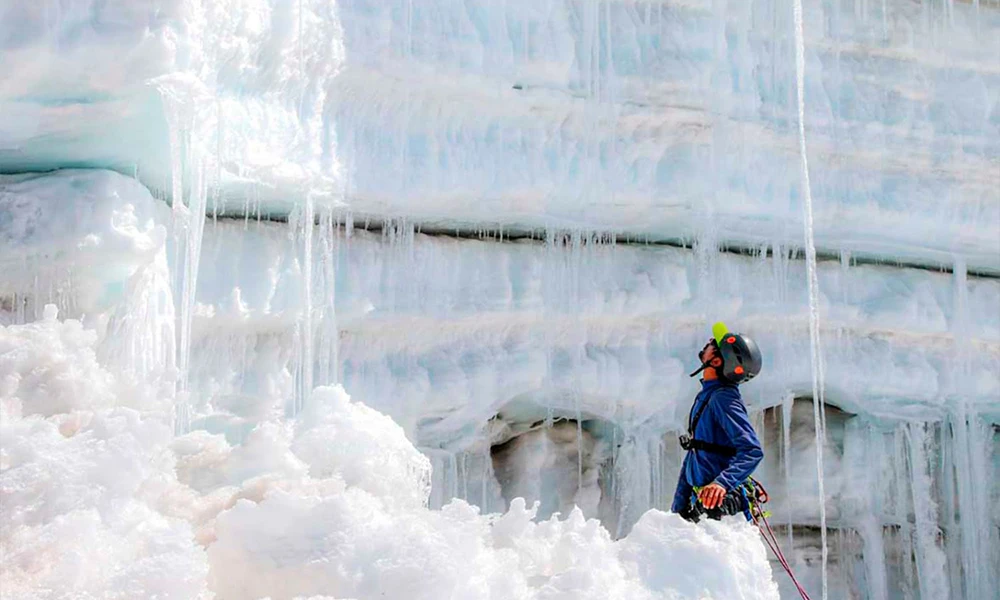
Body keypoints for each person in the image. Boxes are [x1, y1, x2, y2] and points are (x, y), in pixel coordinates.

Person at [671, 322, 764, 522]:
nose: (710, 341)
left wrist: (722, 484)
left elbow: (752, 450)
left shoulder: (723, 398)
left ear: (716, 362)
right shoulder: (708, 394)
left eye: (715, 344)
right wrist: (679, 507)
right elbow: (697, 452)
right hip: (705, 504)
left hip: (721, 508)